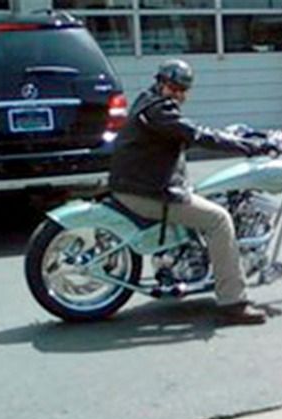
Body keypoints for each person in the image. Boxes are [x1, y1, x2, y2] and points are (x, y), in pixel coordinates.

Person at [109, 59, 268, 323]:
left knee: (210, 199)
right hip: (146, 192)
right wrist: (249, 146)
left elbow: (187, 132)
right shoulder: (160, 111)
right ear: (161, 83)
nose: (179, 93)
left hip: (137, 184)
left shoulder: (147, 102)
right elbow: (196, 134)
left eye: (183, 89)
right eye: (173, 87)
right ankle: (233, 302)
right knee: (219, 220)